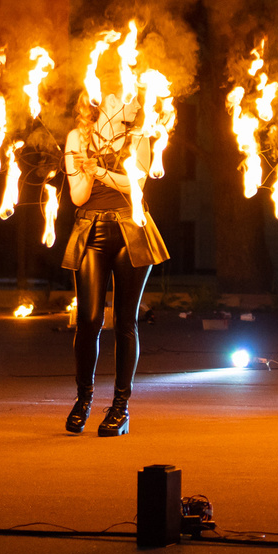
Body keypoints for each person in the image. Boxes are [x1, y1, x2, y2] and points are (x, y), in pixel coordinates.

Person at [58, 84, 168, 437]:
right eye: (121, 95)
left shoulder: (139, 137)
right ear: (101, 99)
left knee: (125, 321)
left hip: (131, 232)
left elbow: (136, 185)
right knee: (88, 320)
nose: (130, 101)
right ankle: (83, 399)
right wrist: (86, 171)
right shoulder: (77, 137)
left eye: (133, 97)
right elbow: (77, 197)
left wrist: (102, 171)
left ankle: (120, 408)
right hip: (91, 230)